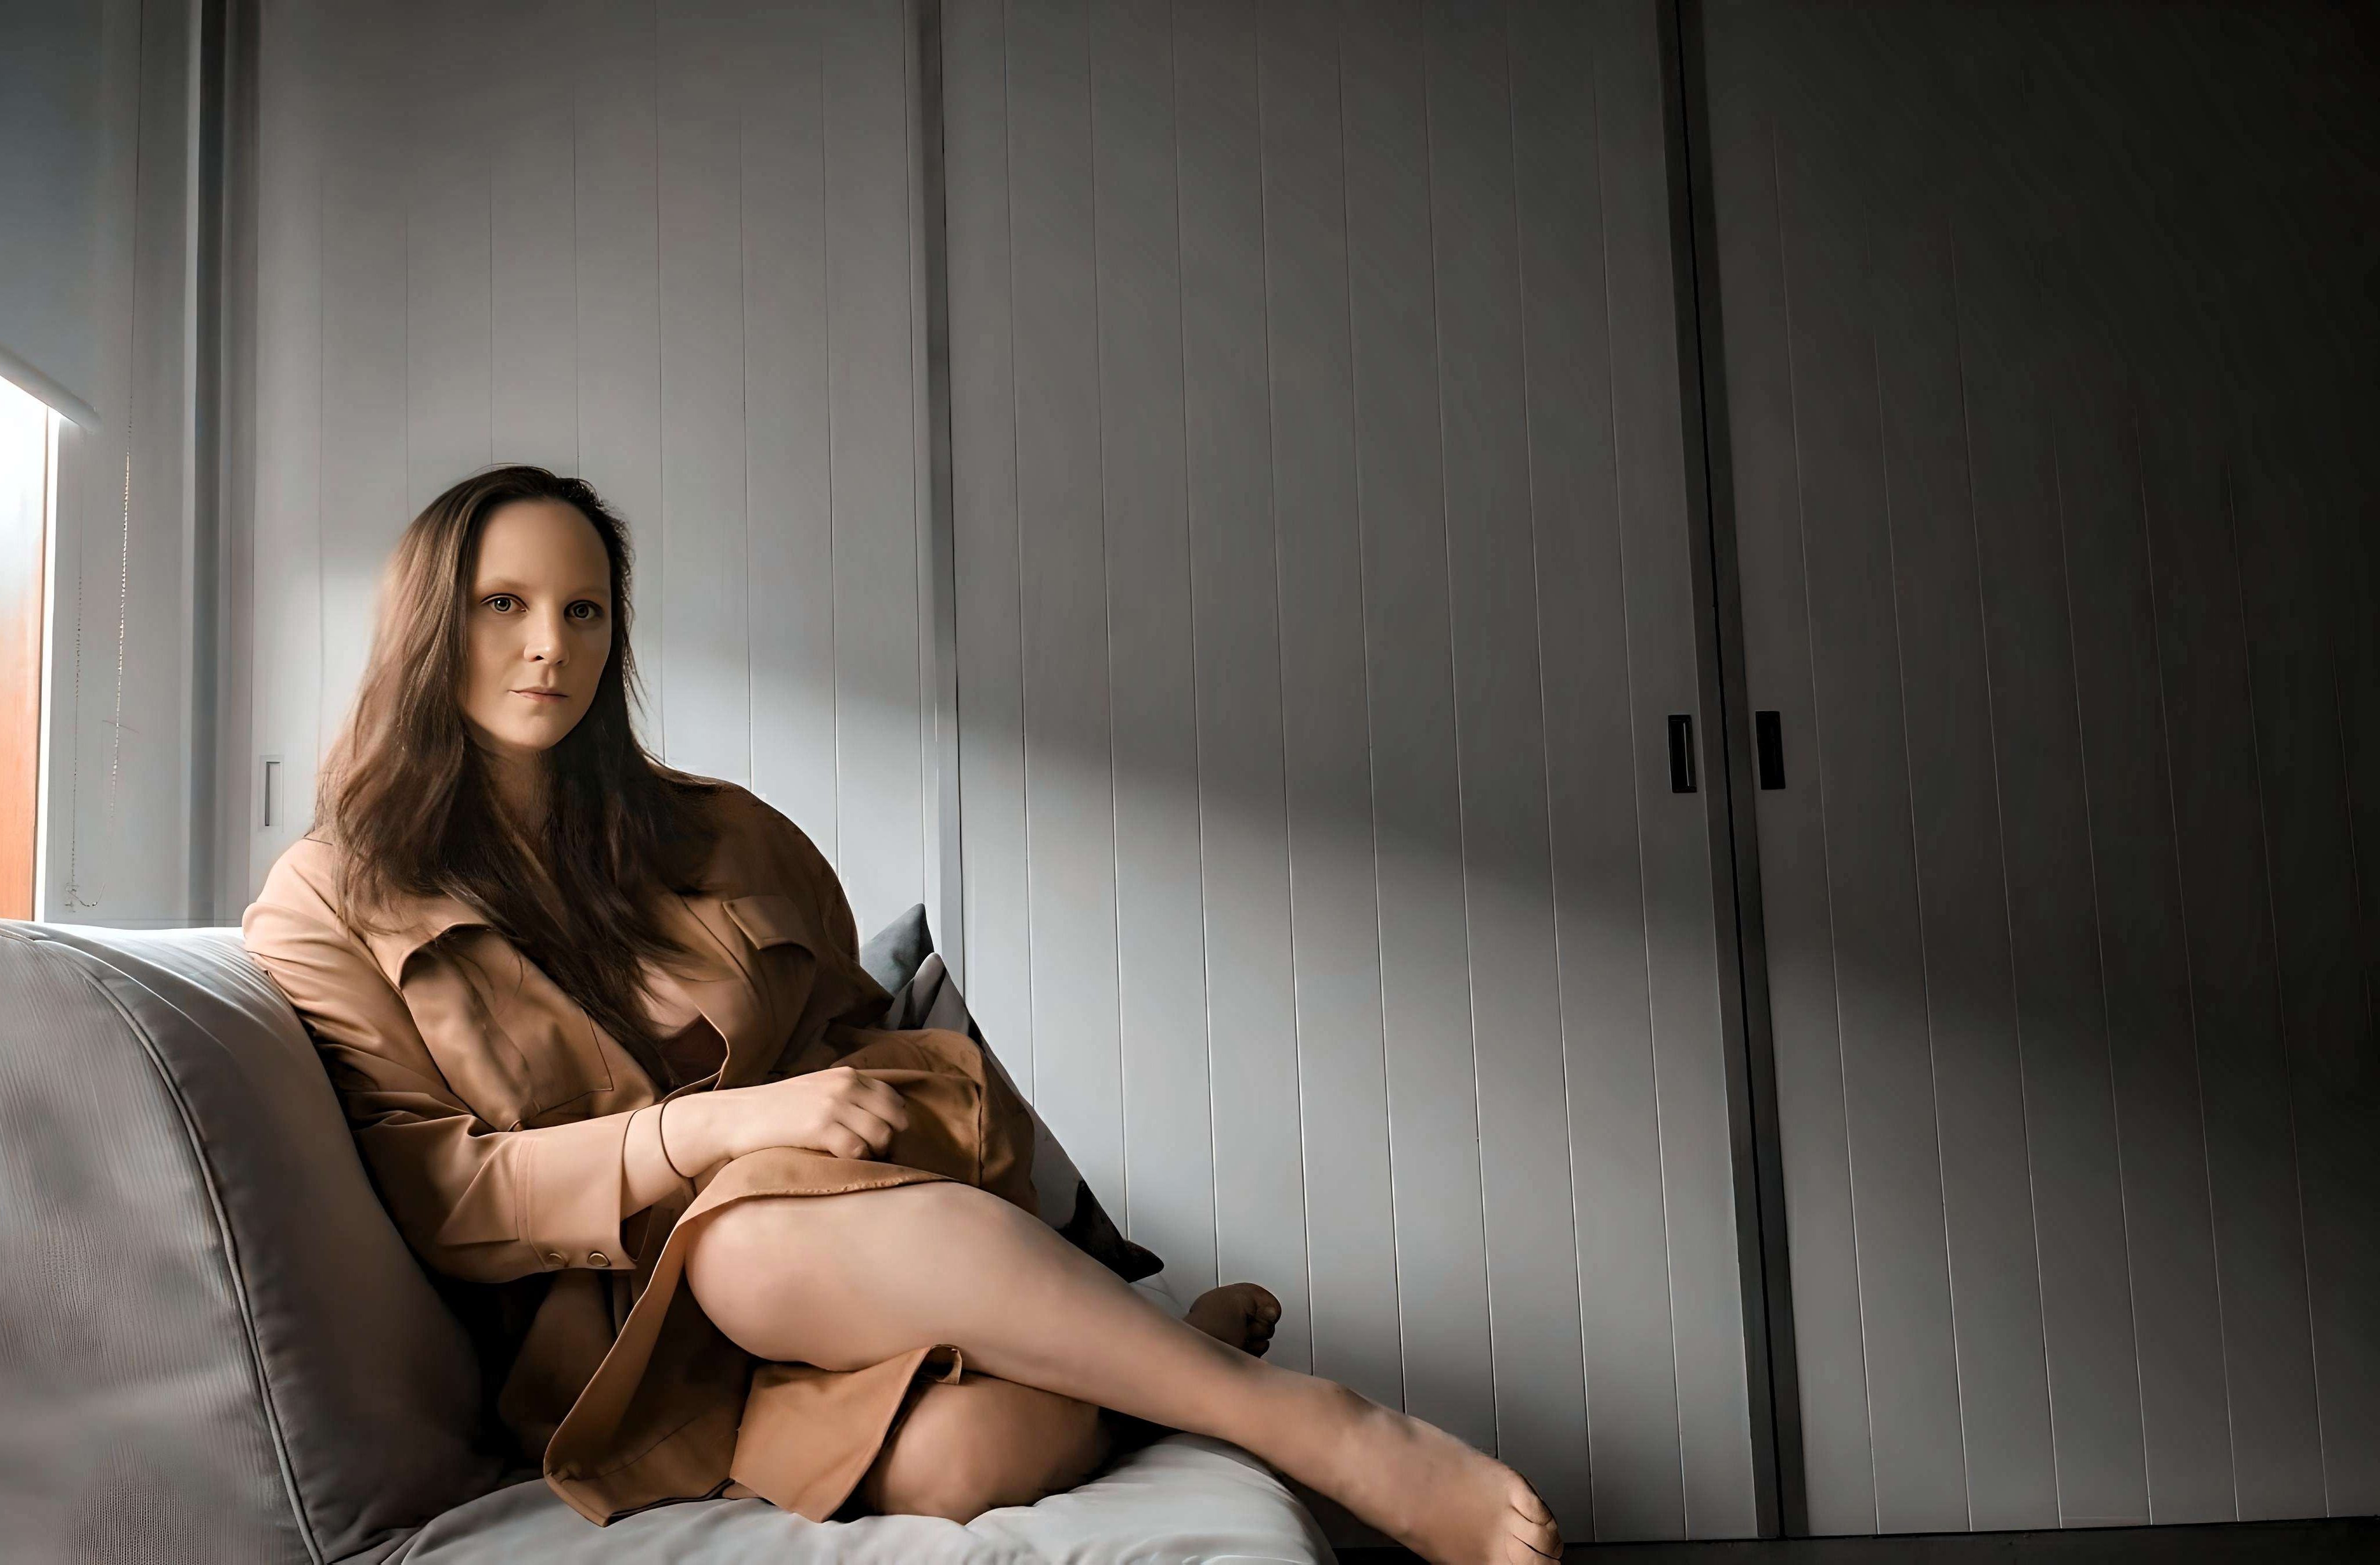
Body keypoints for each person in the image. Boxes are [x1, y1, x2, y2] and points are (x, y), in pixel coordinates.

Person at [239, 465, 1562, 1564]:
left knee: (748, 1241)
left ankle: (1321, 1427)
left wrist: (797, 1134)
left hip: (850, 1232)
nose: (551, 646)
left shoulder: (722, 830)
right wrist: (714, 1132)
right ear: (428, 623)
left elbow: (860, 1038)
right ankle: (1164, 1352)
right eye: (504, 604)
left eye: (585, 611)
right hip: (642, 1351)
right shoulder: (326, 899)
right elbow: (444, 1193)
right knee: (959, 1461)